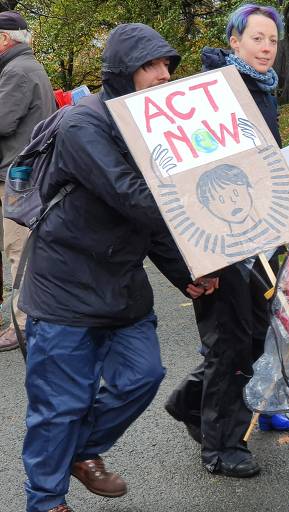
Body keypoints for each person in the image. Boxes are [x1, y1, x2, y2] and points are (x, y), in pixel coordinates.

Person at [19, 23, 217, 512]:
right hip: (63, 287)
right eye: (150, 65)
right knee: (59, 406)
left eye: (167, 66)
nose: (162, 75)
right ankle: (46, 501)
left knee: (142, 376)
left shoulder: (150, 126)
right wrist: (215, 205)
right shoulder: (84, 124)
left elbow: (147, 224)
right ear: (122, 70)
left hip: (121, 284)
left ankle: (81, 452)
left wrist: (183, 271)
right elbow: (136, 198)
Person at [164, 3, 289, 481]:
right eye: (256, 38)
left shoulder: (260, 90)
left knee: (255, 334)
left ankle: (190, 404)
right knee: (231, 341)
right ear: (234, 41)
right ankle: (220, 448)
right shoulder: (214, 91)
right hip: (221, 237)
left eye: (272, 41)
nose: (266, 48)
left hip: (259, 233)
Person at [0, 11, 56, 351]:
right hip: (22, 174)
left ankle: (23, 323)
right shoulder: (22, 67)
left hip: (20, 178)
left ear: (4, 39)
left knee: (18, 249)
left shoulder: (18, 72)